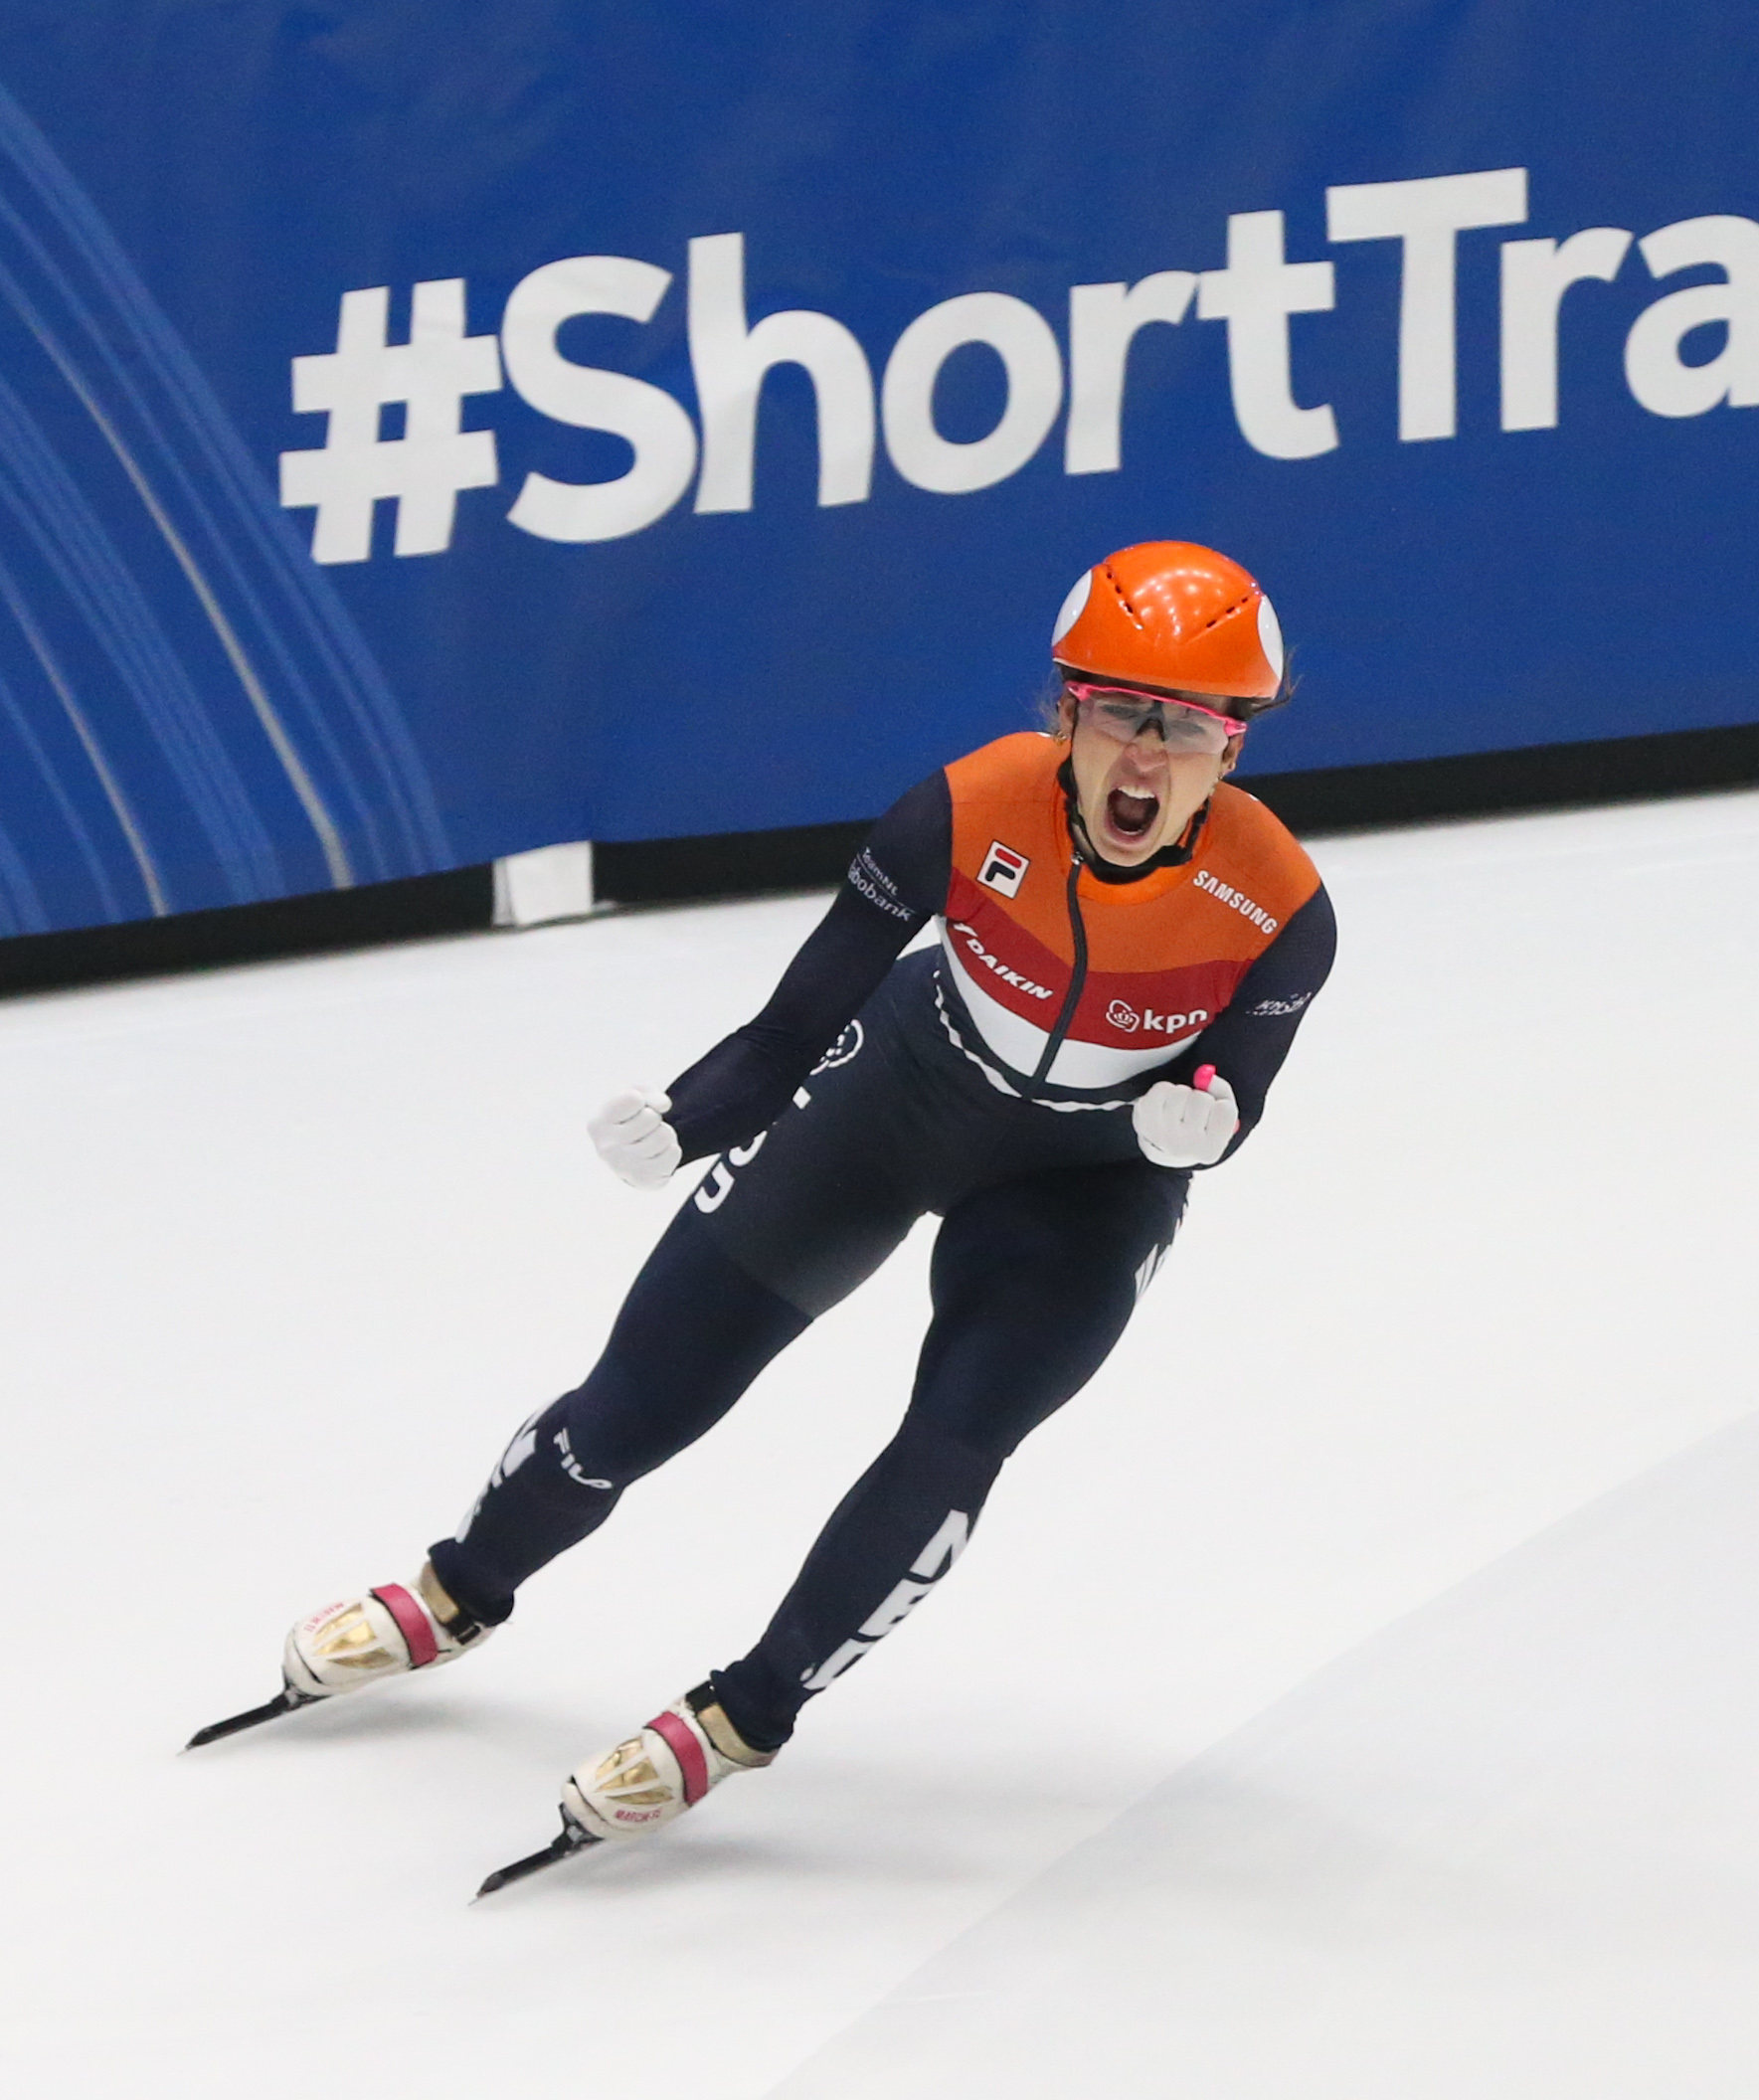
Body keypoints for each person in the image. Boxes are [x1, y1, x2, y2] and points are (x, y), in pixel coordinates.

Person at [196, 540, 1335, 1880]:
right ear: (1064, 710)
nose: (1145, 759)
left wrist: (1205, 1121)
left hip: (1083, 1188)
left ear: (1234, 748)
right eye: (1119, 713)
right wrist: (689, 1114)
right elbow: (797, 1020)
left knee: (956, 1441)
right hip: (897, 1100)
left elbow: (1232, 1094)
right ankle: (460, 1589)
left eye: (1187, 728)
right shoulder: (962, 810)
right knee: (636, 1399)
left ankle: (747, 1713)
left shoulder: (1279, 909)